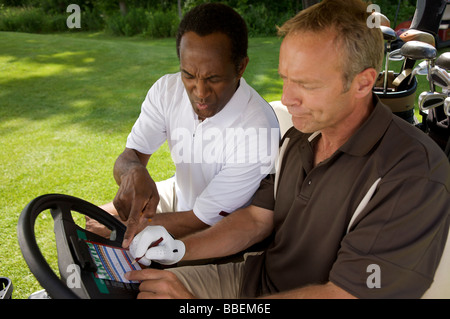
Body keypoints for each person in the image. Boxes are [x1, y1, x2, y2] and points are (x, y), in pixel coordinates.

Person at [125, 0, 450, 299]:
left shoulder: (413, 172)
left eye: (306, 84)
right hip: (252, 279)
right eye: (285, 79)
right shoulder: (298, 139)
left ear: (363, 82)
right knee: (130, 285)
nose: (288, 99)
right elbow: (255, 220)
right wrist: (179, 250)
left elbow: (342, 295)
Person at [86, 3, 280, 248]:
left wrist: (121, 229)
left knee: (114, 239)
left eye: (213, 78)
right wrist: (133, 170)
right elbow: (129, 156)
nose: (200, 92)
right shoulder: (167, 90)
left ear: (240, 67)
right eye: (188, 75)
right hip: (182, 194)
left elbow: (199, 220)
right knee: (91, 221)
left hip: (222, 230)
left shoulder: (258, 130)